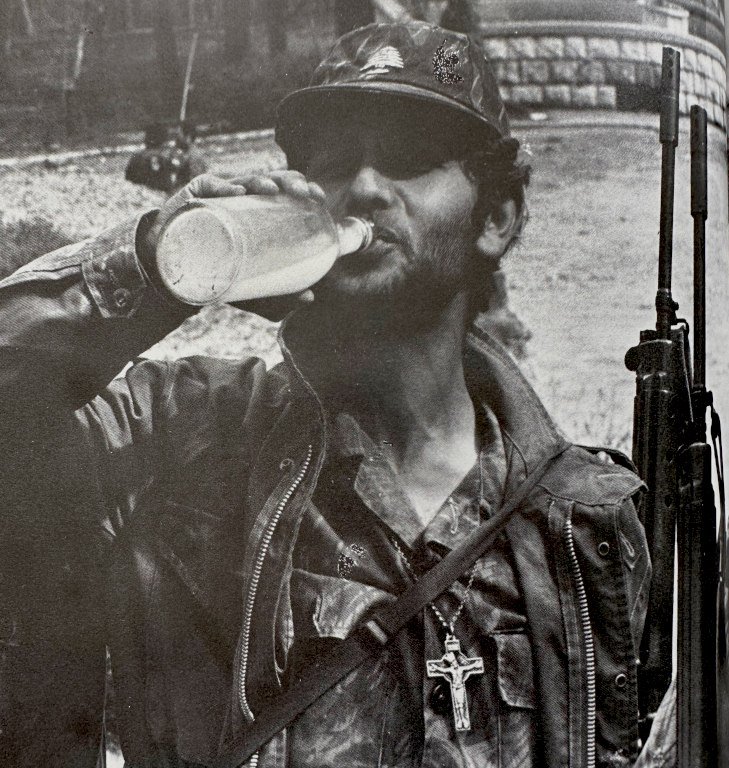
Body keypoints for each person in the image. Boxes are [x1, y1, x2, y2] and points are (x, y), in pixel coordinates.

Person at [0, 21, 675, 768]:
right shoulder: (180, 433)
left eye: (409, 158)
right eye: (333, 161)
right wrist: (160, 263)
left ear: (496, 217)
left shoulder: (589, 525)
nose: (362, 188)